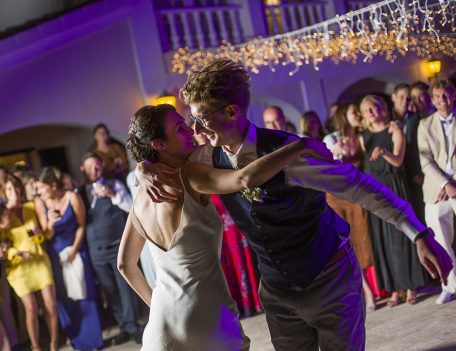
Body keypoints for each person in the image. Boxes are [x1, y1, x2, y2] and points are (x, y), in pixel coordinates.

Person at [135, 59, 452, 351]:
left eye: (202, 120)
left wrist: (419, 234)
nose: (196, 131)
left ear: (231, 112)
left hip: (330, 279)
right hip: (276, 293)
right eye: (192, 121)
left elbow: (363, 189)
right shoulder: (204, 158)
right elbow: (165, 162)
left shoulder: (291, 154)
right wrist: (144, 168)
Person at [118, 104, 326, 350]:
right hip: (208, 320)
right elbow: (244, 178)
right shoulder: (190, 175)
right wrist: (301, 146)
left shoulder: (142, 196)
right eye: (179, 128)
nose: (189, 131)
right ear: (159, 144)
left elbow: (125, 264)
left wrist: (159, 308)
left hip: (161, 328)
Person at [360, 94, 428, 307]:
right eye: (367, 111)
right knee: (384, 240)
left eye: (374, 108)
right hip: (375, 191)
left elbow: (398, 161)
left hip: (395, 188)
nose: (371, 112)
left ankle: (410, 287)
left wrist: (384, 151)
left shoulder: (395, 129)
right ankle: (394, 290)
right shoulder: (364, 137)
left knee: (401, 238)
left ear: (383, 109)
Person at [77, 152, 141, 345]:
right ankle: (123, 326)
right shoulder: (79, 192)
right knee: (110, 291)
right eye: (89, 167)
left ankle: (133, 327)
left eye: (96, 166)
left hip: (117, 247)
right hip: (95, 251)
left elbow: (131, 207)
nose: (93, 170)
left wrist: (112, 195)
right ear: (83, 170)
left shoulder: (115, 185)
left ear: (101, 166)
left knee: (125, 288)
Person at [37, 167, 103, 351]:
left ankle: (93, 340)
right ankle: (77, 339)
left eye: (41, 188)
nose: (39, 192)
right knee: (65, 297)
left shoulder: (72, 197)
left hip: (76, 249)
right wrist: (49, 222)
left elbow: (82, 224)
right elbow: (47, 235)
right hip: (57, 256)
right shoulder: (42, 204)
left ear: (52, 185)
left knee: (85, 293)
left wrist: (75, 249)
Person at [323, 102, 377, 311]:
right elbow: (324, 167)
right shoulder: (332, 139)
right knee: (348, 245)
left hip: (357, 196)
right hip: (336, 198)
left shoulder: (363, 136)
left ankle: (376, 288)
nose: (358, 115)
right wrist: (335, 152)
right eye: (355, 112)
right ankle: (367, 292)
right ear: (346, 116)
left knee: (364, 242)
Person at [3, 174, 58, 351]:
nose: (15, 192)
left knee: (50, 305)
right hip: (19, 268)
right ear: (4, 192)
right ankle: (36, 346)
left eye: (17, 187)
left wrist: (38, 234)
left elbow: (41, 236)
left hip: (39, 260)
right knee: (31, 309)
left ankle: (54, 343)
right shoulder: (3, 215)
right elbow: (3, 246)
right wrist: (15, 252)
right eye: (10, 189)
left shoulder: (31, 207)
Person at [418, 79, 456, 304]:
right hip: (437, 188)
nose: (443, 100)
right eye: (438, 96)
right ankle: (450, 284)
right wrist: (445, 184)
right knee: (438, 237)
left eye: (448, 94)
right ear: (432, 100)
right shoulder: (425, 125)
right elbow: (425, 160)